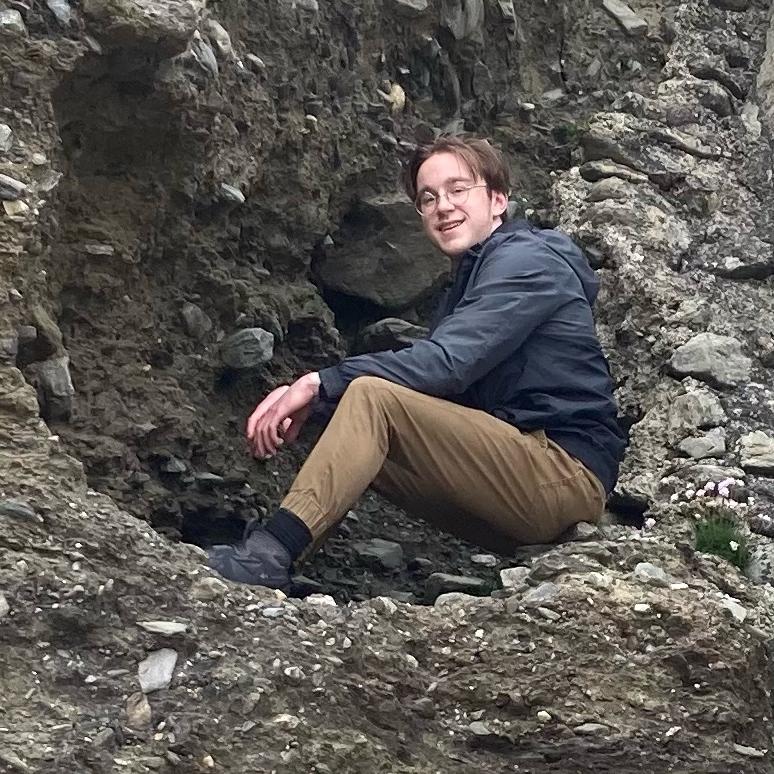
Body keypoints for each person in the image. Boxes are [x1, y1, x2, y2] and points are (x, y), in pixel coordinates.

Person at [207, 136, 626, 589]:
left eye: (458, 189)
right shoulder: (472, 280)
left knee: (370, 397)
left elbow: (446, 366)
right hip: (524, 479)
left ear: (498, 200)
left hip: (562, 473)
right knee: (343, 411)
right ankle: (276, 557)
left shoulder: (527, 261)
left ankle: (268, 556)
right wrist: (322, 402)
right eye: (429, 198)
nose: (443, 206)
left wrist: (317, 383)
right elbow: (441, 392)